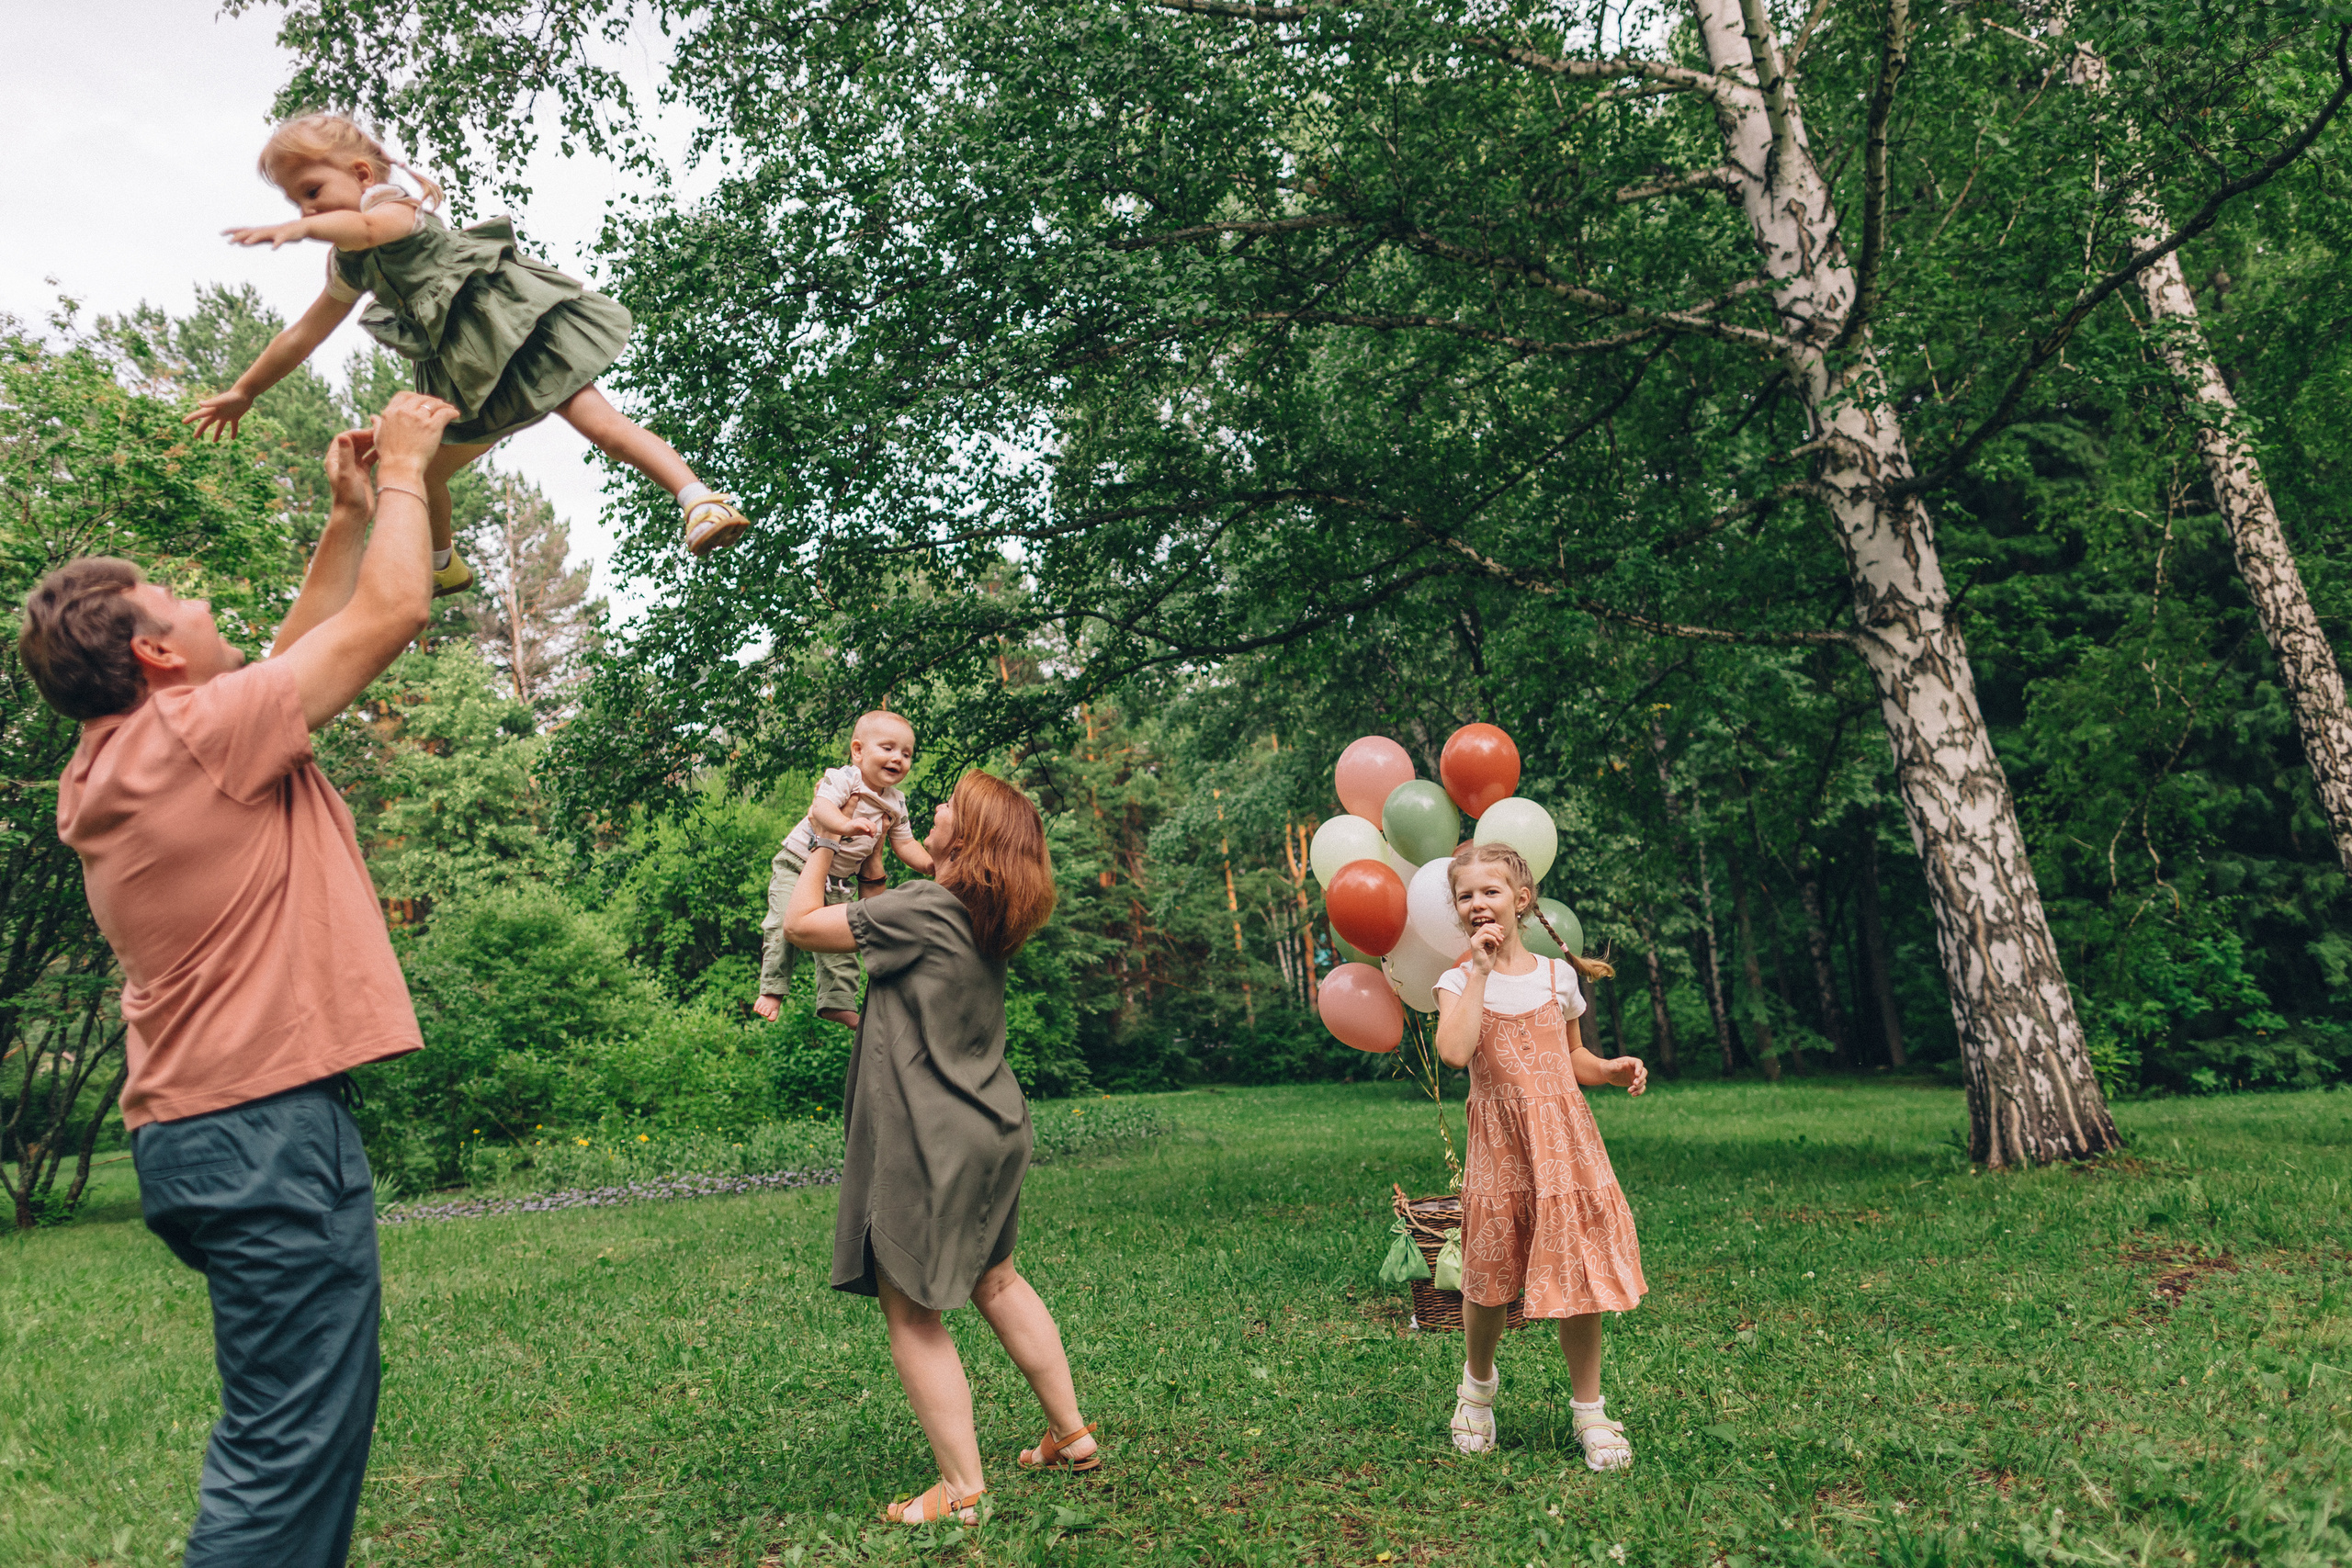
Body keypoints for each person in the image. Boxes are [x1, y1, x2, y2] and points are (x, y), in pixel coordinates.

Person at [23, 392, 458, 1565]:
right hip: (263, 1132)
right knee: (285, 1455)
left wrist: (343, 518)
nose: (205, 603)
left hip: (197, 1134)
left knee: (291, 1435)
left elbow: (288, 662)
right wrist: (412, 470)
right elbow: (396, 608)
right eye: (183, 599)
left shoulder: (119, 758)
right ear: (158, 655)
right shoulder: (194, 736)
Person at [186, 112, 751, 591]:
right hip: (462, 370)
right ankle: (442, 567)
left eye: (311, 194)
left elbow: (363, 223)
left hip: (514, 331)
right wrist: (245, 390)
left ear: (360, 174)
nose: (307, 213)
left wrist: (298, 230)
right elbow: (303, 333)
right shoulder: (349, 260)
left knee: (600, 425)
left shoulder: (393, 210)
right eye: (296, 204)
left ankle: (699, 499)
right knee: (418, 467)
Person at [784, 769, 1097, 1525]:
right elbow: (882, 912)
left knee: (914, 1309)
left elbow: (802, 925)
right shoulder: (979, 914)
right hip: (993, 1127)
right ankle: (1073, 1434)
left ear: (973, 835)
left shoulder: (926, 907)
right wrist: (879, 847)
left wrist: (824, 840)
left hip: (934, 1136)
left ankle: (960, 1488)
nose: (934, 807)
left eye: (950, 804)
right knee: (997, 1281)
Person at [1431, 841, 1648, 1471]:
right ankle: (1477, 1387)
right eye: (1466, 895)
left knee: (1577, 1272)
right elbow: (1453, 1050)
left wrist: (1608, 1069)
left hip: (1563, 1145)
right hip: (1500, 1146)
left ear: (1521, 899)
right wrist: (1478, 969)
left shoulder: (1558, 976)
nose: (1478, 904)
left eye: (1490, 891)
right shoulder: (1456, 980)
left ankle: (1590, 1410)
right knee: (1490, 1270)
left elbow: (1573, 1057)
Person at [756, 710, 939, 1030]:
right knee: (782, 924)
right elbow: (820, 809)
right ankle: (773, 988)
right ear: (858, 751)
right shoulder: (845, 778)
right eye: (888, 748)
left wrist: (931, 865)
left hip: (839, 882)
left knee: (839, 943)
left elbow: (905, 843)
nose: (898, 758)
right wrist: (845, 825)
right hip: (797, 863)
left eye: (906, 754)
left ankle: (836, 1002)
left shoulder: (896, 802)